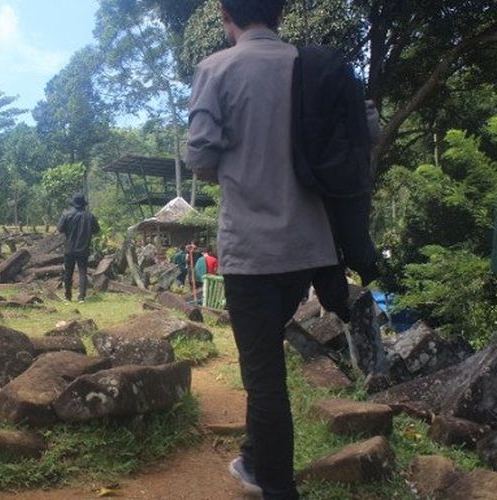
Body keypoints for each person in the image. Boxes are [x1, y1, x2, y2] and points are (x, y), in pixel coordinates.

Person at [186, 1, 338, 498]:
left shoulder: (216, 69)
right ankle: (253, 458)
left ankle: (277, 487)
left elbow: (201, 156)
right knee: (264, 355)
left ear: (226, 16)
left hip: (251, 249)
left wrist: (241, 158)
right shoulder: (314, 66)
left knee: (264, 375)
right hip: (308, 248)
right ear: (279, 13)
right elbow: (365, 132)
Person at [57, 193, 100, 303]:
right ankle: (82, 297)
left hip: (69, 248)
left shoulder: (66, 215)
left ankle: (67, 296)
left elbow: (60, 229)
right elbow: (96, 230)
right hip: (83, 248)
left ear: (74, 203)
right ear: (83, 204)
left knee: (68, 272)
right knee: (82, 272)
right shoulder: (89, 216)